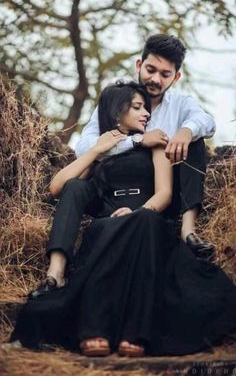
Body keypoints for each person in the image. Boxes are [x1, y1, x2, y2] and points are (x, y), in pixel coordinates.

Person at [11, 82, 236, 358]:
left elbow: (164, 194)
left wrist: (138, 211)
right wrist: (95, 151)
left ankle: (136, 333)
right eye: (138, 107)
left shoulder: (155, 142)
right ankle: (92, 326)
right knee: (99, 223)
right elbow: (58, 187)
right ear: (118, 113)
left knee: (145, 223)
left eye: (146, 108)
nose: (146, 114)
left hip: (146, 221)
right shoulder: (101, 152)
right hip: (108, 224)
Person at [75, 33, 216, 259]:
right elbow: (83, 148)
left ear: (176, 77)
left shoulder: (181, 104)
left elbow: (208, 122)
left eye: (165, 74)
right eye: (151, 70)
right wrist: (137, 141)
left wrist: (186, 130)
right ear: (139, 65)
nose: (156, 79)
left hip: (162, 194)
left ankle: (188, 230)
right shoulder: (116, 102)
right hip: (116, 193)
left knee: (196, 141)